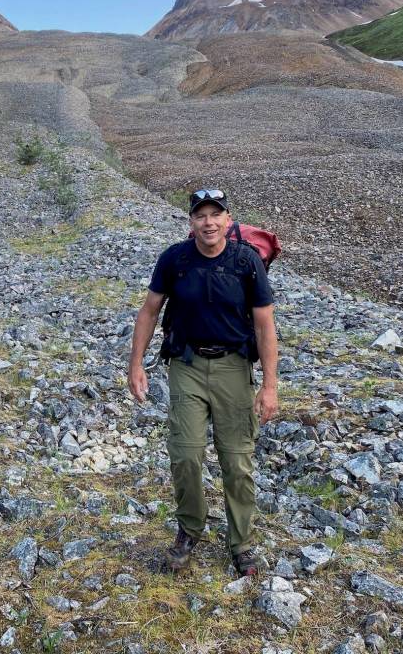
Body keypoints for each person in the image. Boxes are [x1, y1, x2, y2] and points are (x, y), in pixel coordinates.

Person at [128, 188, 278, 576]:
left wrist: (269, 386)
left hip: (233, 368)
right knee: (186, 453)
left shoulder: (246, 262)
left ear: (228, 221)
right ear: (190, 221)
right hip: (187, 366)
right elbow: (148, 312)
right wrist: (136, 365)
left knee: (237, 461)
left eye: (216, 214)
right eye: (200, 215)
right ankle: (189, 530)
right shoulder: (174, 260)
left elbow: (264, 325)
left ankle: (241, 543)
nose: (208, 222)